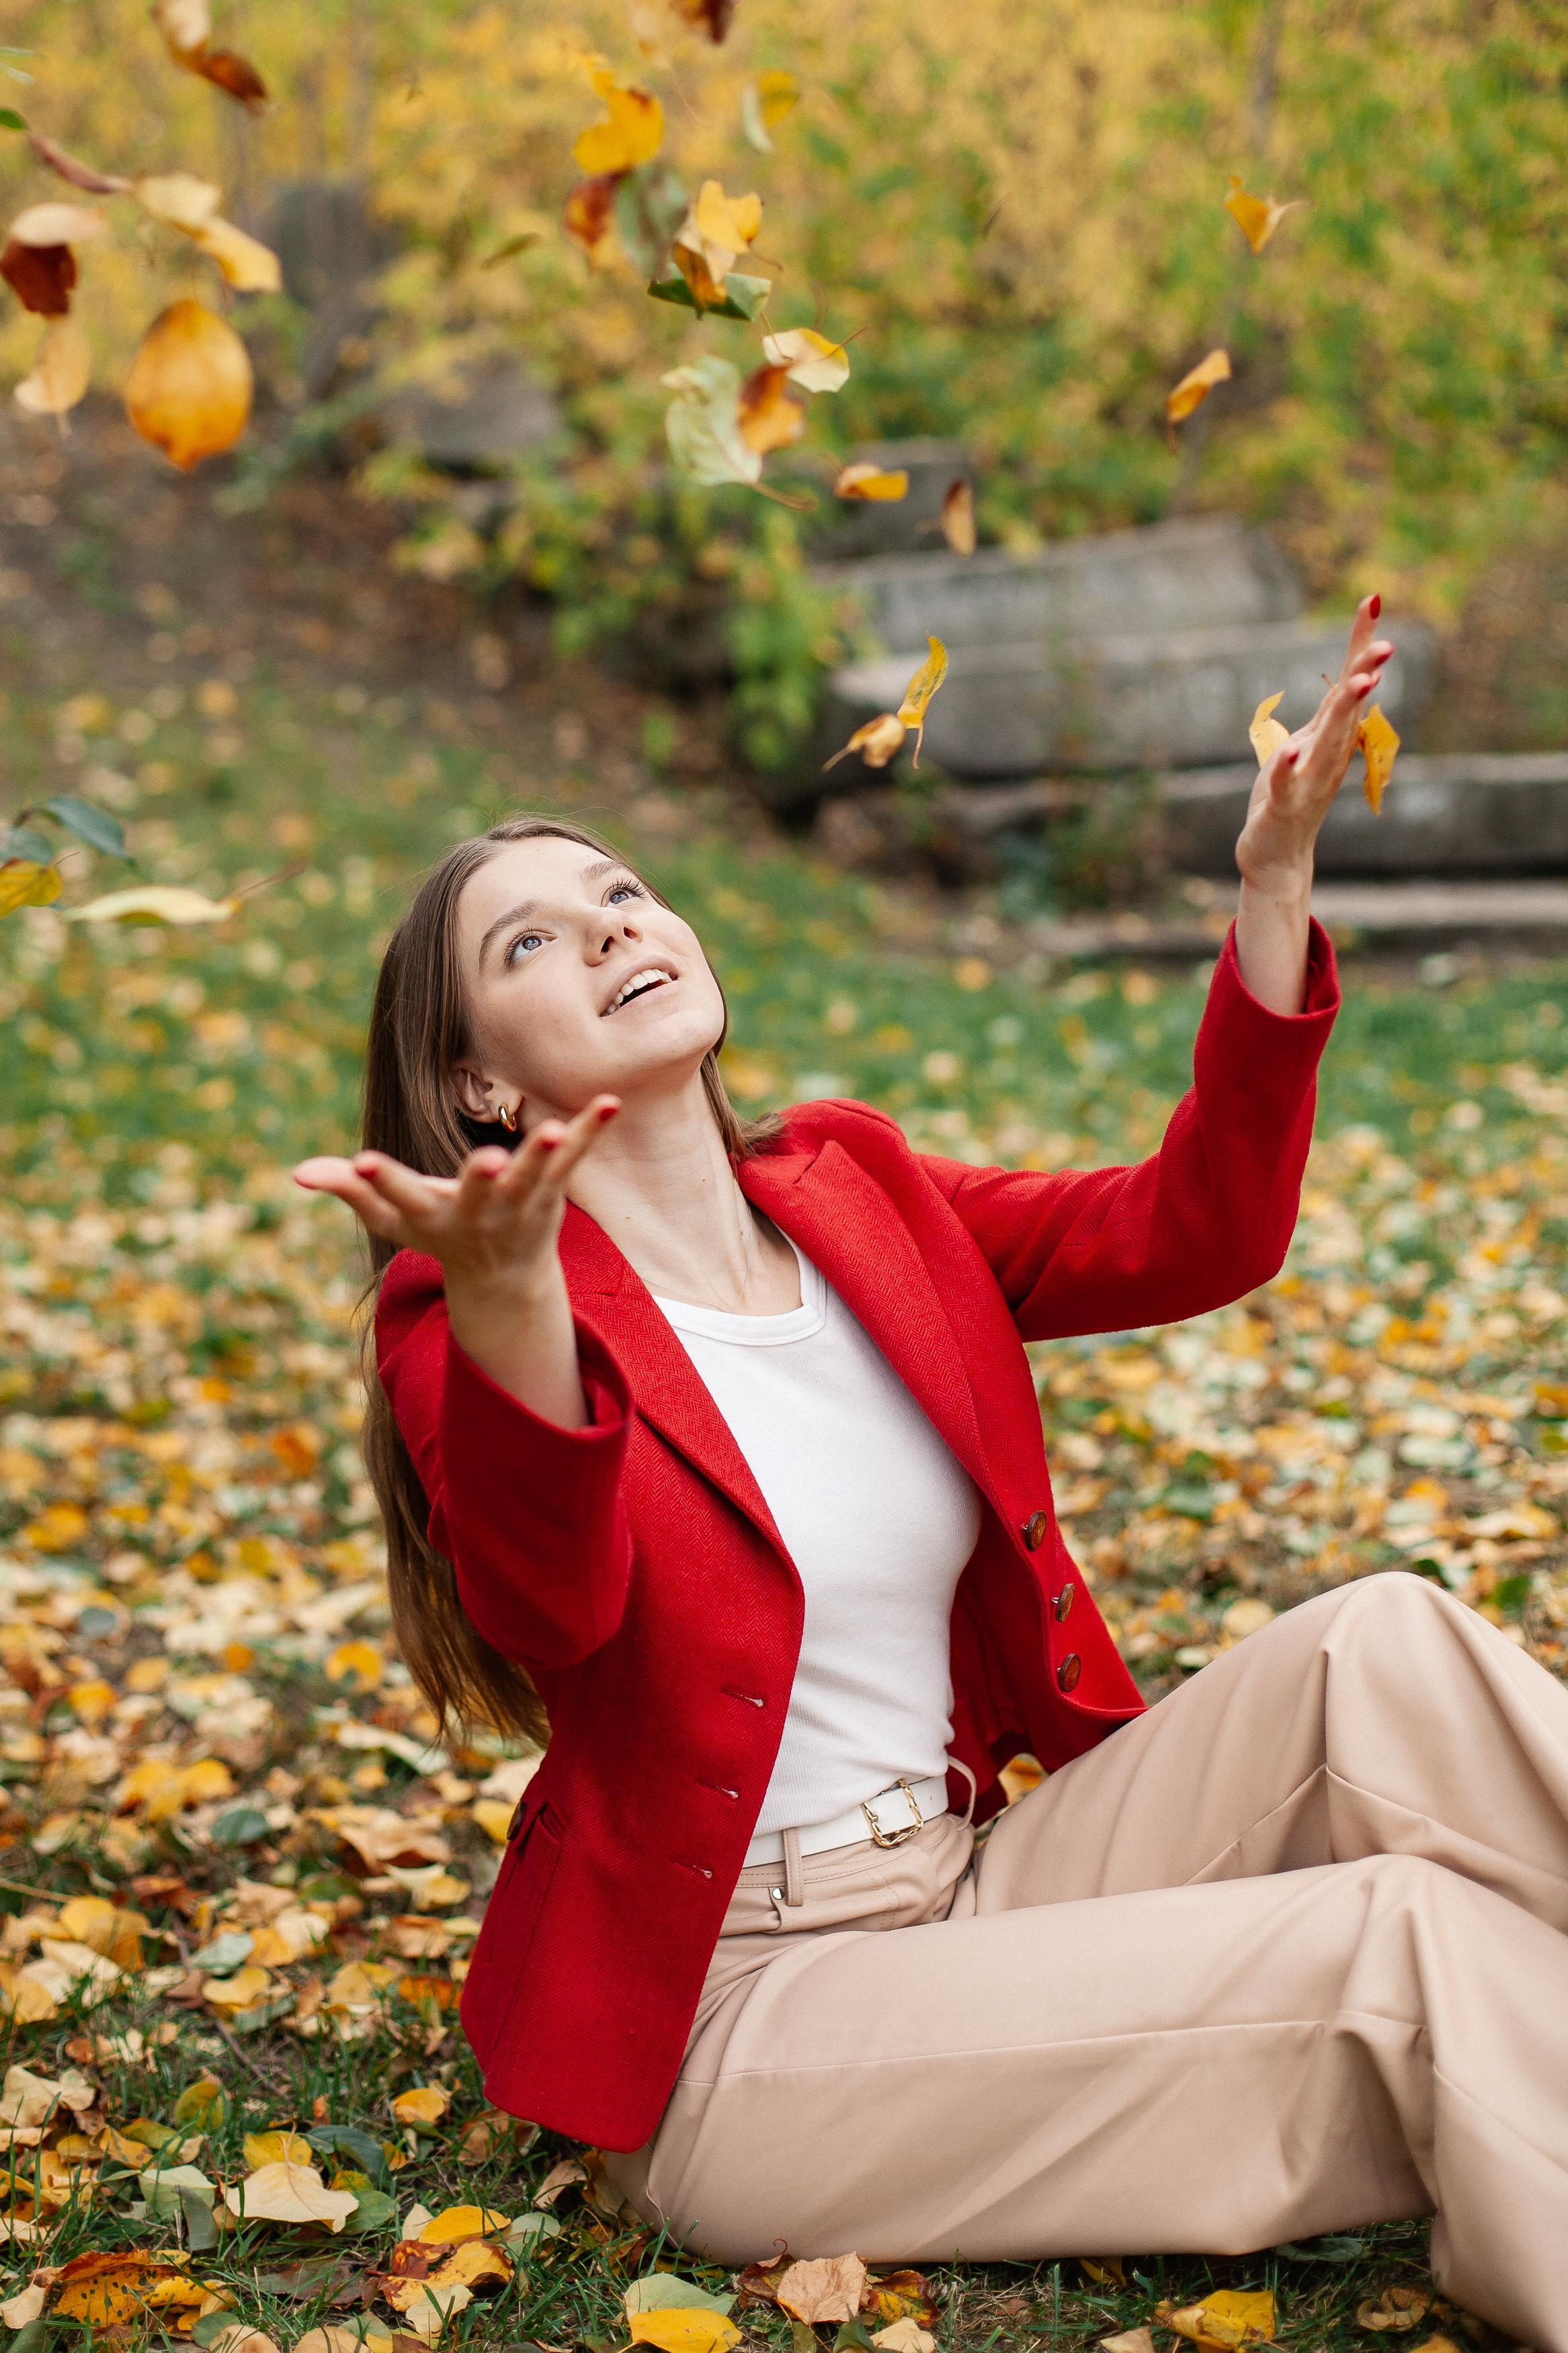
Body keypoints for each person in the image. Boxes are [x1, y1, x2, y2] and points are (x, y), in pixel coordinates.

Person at [296, 598, 1568, 2349]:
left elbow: (1193, 1230)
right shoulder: (471, 1316)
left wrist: (1273, 889)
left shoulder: (851, 1186)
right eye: (531, 945)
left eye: (620, 896)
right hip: (749, 2013)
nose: (608, 931)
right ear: (476, 1085)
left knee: (1389, 1647)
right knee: (1397, 1942)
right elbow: (546, 1601)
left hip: (972, 1874)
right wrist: (518, 1300)